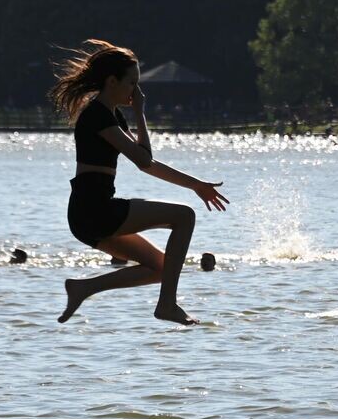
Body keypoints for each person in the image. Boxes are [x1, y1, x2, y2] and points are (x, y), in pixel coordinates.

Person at [52, 40, 229, 326]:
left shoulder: (111, 115)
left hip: (89, 215)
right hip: (94, 211)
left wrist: (197, 185)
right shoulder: (98, 115)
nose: (136, 91)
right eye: (132, 83)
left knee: (160, 267)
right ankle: (167, 305)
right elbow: (144, 160)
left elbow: (148, 163)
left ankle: (84, 288)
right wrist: (141, 113)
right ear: (112, 81)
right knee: (184, 216)